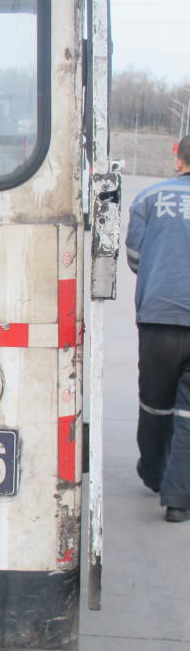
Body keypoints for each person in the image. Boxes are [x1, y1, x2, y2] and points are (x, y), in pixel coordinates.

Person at [125, 135, 190, 522]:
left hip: (159, 317)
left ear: (178, 158)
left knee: (155, 403)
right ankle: (178, 501)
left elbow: (135, 257)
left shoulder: (149, 197)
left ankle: (153, 473)